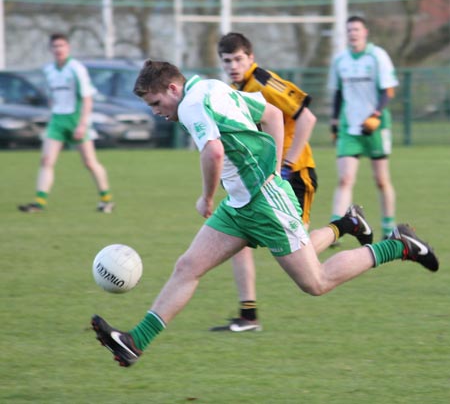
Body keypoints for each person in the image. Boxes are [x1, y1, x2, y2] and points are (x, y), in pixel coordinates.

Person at [91, 60, 438, 368]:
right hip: (241, 203)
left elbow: (212, 152)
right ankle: (134, 342)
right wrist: (270, 167)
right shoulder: (211, 86)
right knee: (188, 267)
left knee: (315, 282)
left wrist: (207, 198)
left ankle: (399, 245)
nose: (156, 111)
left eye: (156, 103)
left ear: (172, 88)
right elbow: (271, 114)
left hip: (263, 202)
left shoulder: (193, 105)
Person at [210, 32, 319, 332]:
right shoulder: (234, 89)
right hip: (261, 182)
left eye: (238, 59)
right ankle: (248, 315)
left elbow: (307, 118)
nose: (233, 65)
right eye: (227, 61)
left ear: (251, 58)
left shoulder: (264, 81)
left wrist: (287, 166)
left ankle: (345, 226)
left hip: (293, 176)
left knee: (304, 258)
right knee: (238, 241)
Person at [18, 33, 114, 213]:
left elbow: (87, 98)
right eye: (55, 46)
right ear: (50, 49)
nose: (58, 49)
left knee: (89, 162)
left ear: (68, 48)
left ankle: (106, 200)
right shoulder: (48, 70)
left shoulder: (76, 68)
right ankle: (39, 203)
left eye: (61, 46)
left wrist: (82, 123)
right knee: (46, 160)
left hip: (75, 118)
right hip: (57, 120)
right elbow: (52, 96)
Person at [329, 16, 398, 239]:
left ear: (365, 32)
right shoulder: (340, 60)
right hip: (350, 127)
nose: (353, 33)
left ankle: (389, 228)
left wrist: (376, 115)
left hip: (376, 126)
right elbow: (338, 92)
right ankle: (334, 229)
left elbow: (388, 91)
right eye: (349, 30)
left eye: (357, 29)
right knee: (345, 179)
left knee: (381, 180)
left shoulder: (377, 56)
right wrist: (334, 121)